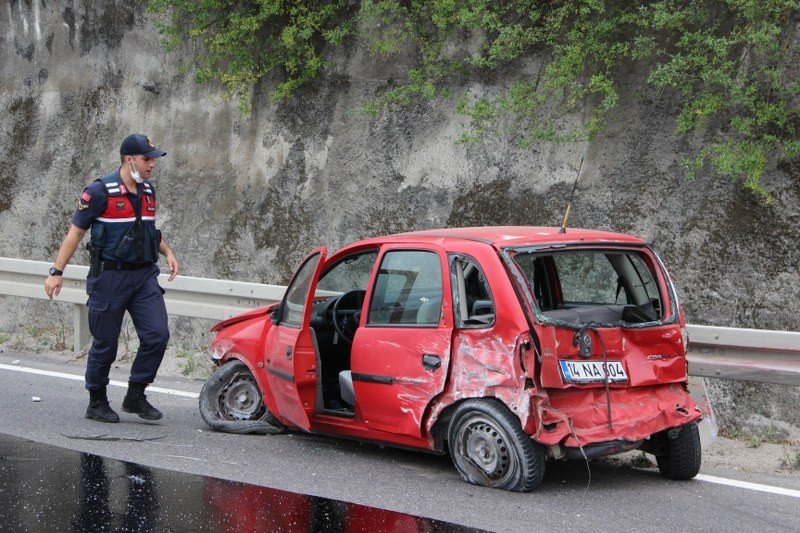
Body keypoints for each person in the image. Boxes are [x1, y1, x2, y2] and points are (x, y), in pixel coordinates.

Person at [44, 133, 179, 423]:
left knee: (157, 335)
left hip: (143, 277)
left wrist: (167, 252)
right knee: (106, 344)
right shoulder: (99, 192)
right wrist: (57, 272)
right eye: (146, 159)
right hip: (109, 278)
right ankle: (97, 401)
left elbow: (148, 230)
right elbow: (75, 233)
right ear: (129, 159)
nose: (152, 165)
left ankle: (135, 395)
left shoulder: (147, 191)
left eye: (153, 160)